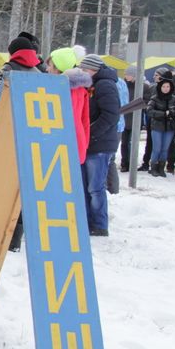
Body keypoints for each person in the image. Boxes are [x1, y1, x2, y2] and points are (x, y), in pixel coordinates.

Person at [0, 36, 43, 251]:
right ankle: (18, 237)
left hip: (8, 133)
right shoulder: (40, 73)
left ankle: (5, 234)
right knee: (24, 189)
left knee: (5, 186)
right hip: (32, 135)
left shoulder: (8, 70)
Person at [78, 54, 121, 236]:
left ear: (92, 69)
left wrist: (91, 134)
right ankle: (89, 221)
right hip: (90, 143)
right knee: (87, 185)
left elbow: (111, 115)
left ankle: (99, 224)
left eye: (83, 69)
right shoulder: (92, 85)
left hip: (100, 144)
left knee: (95, 187)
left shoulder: (105, 85)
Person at [145, 76, 175, 177]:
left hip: (169, 127)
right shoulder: (154, 98)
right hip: (157, 126)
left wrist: (173, 113)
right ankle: (153, 167)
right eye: (163, 86)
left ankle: (161, 167)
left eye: (168, 86)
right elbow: (149, 111)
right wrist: (163, 113)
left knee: (165, 148)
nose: (166, 88)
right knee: (157, 148)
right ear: (160, 87)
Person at [121, 65, 149, 172]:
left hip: (136, 118)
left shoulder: (143, 87)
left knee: (134, 143)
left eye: (127, 74)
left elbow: (146, 101)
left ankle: (132, 163)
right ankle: (125, 164)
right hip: (124, 118)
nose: (126, 76)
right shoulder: (123, 85)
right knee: (124, 143)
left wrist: (134, 106)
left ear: (134, 75)